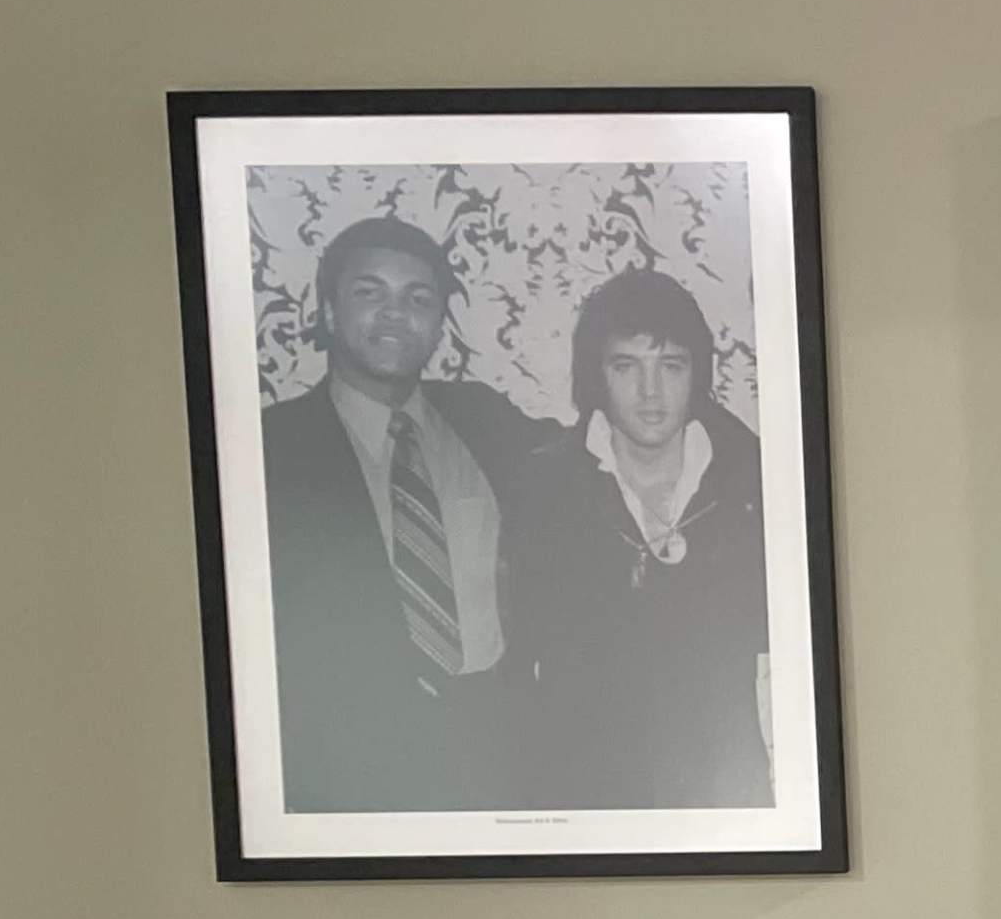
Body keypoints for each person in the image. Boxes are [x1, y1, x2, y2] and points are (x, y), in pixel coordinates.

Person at [258, 215, 568, 810]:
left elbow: (599, 448)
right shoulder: (270, 449)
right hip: (344, 763)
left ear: (438, 326)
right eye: (369, 292)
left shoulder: (486, 420)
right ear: (329, 313)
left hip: (497, 754)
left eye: (418, 299)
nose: (395, 314)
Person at [522, 267, 776, 809]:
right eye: (626, 366)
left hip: (723, 800)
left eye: (671, 365)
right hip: (585, 800)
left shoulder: (757, 485)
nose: (651, 391)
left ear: (697, 373)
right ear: (597, 376)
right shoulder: (546, 494)